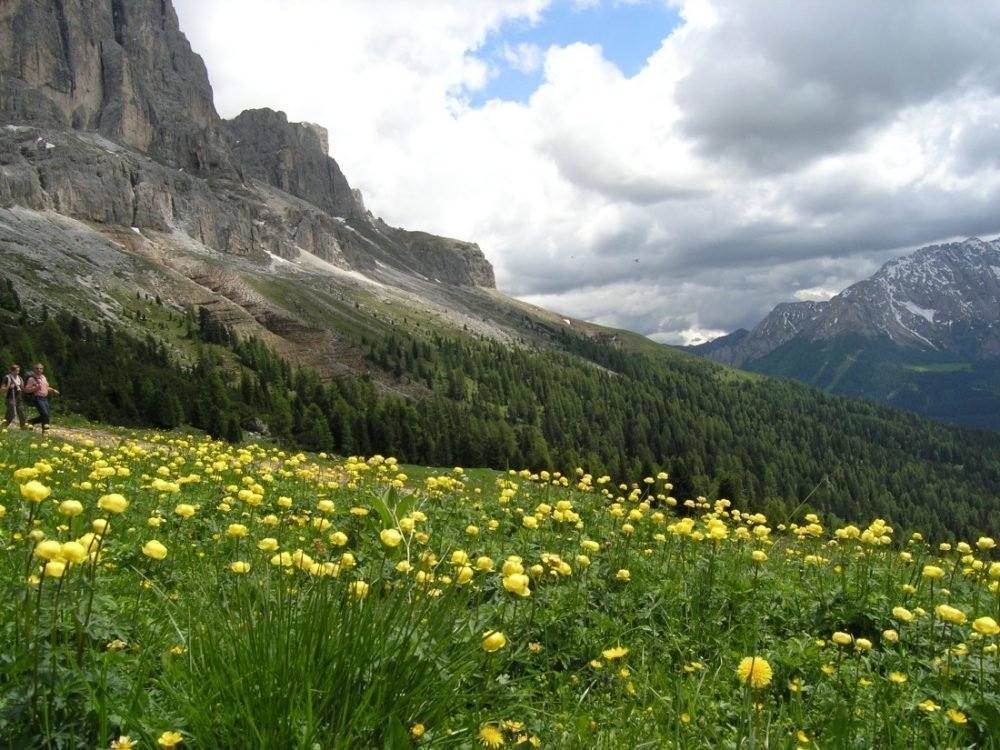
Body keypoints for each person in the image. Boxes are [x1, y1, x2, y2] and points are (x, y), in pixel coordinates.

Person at [23, 363, 60, 432]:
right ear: (34, 370)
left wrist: (53, 390)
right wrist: (35, 388)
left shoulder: (43, 377)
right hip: (38, 398)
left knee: (47, 415)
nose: (39, 370)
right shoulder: (31, 379)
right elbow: (26, 390)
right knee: (45, 414)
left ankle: (31, 422)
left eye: (40, 368)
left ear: (42, 370)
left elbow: (46, 387)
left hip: (45, 398)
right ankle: (45, 431)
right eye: (37, 368)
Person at [1, 363, 28, 430]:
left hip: (19, 397)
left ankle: (23, 428)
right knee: (11, 412)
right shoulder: (7, 378)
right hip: (10, 397)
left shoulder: (20, 378)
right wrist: (9, 387)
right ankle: (3, 426)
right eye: (15, 371)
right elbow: (1, 389)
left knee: (22, 412)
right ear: (11, 371)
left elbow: (22, 388)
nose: (17, 372)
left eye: (18, 371)